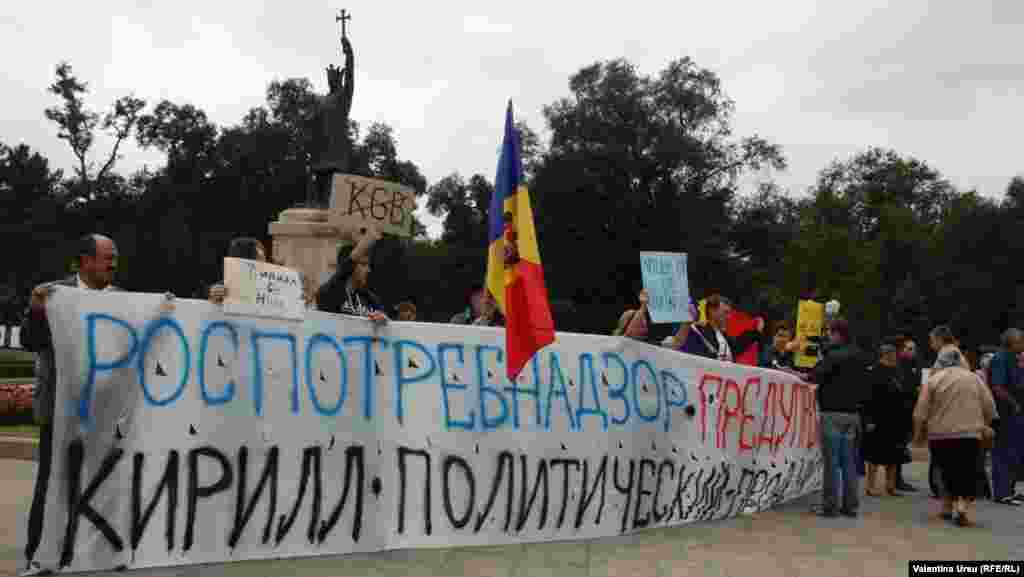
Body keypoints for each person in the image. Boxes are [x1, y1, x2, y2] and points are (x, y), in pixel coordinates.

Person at [19, 235, 121, 570]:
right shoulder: (53, 294)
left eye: (115, 257)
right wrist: (36, 309)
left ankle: (97, 552)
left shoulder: (123, 300)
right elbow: (31, 341)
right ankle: (39, 554)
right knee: (52, 483)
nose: (113, 263)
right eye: (108, 257)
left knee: (102, 483)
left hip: (104, 412)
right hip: (59, 410)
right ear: (85, 261)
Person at [913, 340, 998, 526]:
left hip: (939, 435)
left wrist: (918, 436)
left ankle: (945, 508)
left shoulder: (933, 380)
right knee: (967, 471)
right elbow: (990, 407)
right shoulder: (974, 378)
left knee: (944, 471)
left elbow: (920, 412)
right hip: (969, 434)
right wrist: (985, 426)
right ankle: (961, 507)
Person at [808, 318, 869, 517]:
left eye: (829, 332)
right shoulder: (860, 356)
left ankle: (830, 506)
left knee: (832, 463)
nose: (827, 336)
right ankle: (851, 506)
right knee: (849, 462)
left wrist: (821, 357)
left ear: (836, 334)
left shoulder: (833, 356)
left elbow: (815, 376)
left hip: (832, 413)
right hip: (853, 415)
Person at [863, 338, 913, 497]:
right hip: (878, 419)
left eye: (895, 354)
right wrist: (869, 419)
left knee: (894, 455)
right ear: (884, 355)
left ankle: (890, 486)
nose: (895, 357)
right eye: (892, 354)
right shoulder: (874, 371)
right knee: (874, 455)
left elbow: (904, 393)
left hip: (896, 419)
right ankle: (870, 486)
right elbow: (868, 398)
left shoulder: (898, 371)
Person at [316, 225, 387, 325]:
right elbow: (344, 271)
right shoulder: (329, 293)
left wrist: (383, 319)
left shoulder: (370, 299)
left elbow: (387, 323)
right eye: (363, 264)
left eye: (368, 265)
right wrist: (363, 245)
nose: (368, 270)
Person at [988, 328, 1024, 505]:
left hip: (1014, 415)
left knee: (1014, 452)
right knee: (1003, 452)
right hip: (1004, 414)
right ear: (1012, 342)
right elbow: (998, 387)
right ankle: (1002, 493)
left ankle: (1010, 490)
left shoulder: (1013, 359)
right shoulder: (1000, 359)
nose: (1023, 344)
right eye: (1021, 341)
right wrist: (1014, 404)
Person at [208, 237, 267, 305]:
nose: (263, 263)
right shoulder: (223, 289)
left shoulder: (273, 285)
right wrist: (214, 297)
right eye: (259, 258)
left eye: (263, 258)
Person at [678, 295, 734, 362]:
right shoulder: (695, 329)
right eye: (725, 312)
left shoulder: (725, 339)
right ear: (712, 310)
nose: (728, 317)